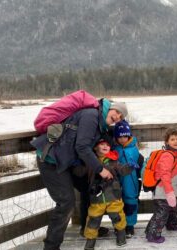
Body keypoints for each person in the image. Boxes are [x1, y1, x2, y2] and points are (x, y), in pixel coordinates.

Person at [30, 98, 128, 250]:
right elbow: (82, 147)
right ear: (109, 108)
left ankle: (87, 227)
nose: (118, 117)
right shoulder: (91, 115)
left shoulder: (98, 123)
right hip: (51, 160)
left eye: (121, 117)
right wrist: (101, 170)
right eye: (117, 112)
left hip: (65, 162)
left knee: (89, 188)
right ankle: (51, 246)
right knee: (66, 203)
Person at [84, 138, 135, 249]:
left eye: (107, 145)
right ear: (95, 147)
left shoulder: (113, 161)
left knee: (117, 216)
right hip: (96, 198)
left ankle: (121, 236)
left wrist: (130, 166)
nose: (105, 146)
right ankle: (90, 241)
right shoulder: (90, 161)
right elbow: (80, 173)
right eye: (102, 144)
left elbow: (122, 169)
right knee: (93, 219)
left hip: (113, 196)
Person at [145, 127, 177, 243]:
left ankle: (172, 224)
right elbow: (164, 174)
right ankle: (152, 234)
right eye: (172, 139)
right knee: (162, 212)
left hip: (172, 190)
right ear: (167, 142)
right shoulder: (168, 155)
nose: (176, 141)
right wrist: (169, 192)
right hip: (163, 190)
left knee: (173, 207)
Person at [113, 120, 144, 238]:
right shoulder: (114, 149)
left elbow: (140, 164)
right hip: (117, 182)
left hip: (131, 182)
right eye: (119, 137)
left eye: (125, 136)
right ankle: (119, 226)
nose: (122, 139)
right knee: (117, 203)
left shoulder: (134, 149)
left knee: (131, 202)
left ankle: (130, 225)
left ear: (129, 136)